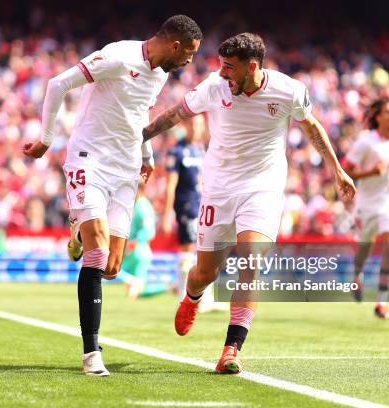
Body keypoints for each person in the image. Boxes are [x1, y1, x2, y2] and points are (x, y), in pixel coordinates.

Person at [143, 33, 355, 374]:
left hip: (262, 187)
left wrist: (337, 170)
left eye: (229, 67)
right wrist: (141, 136)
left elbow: (312, 127)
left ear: (251, 66)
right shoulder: (214, 87)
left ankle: (231, 350)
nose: (223, 73)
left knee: (250, 263)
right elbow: (177, 114)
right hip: (218, 189)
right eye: (221, 66)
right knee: (204, 273)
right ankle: (192, 296)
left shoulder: (288, 91)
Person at [24, 15, 202, 376]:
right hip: (89, 161)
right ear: (176, 45)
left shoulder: (160, 73)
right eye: (190, 54)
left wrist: (147, 155)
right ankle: (91, 352)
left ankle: (77, 233)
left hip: (126, 170)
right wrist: (46, 138)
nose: (189, 62)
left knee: (111, 266)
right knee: (98, 251)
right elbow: (58, 83)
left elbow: (137, 115)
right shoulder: (119, 57)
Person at [342, 99, 389, 319]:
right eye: (388, 113)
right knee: (365, 247)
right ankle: (357, 276)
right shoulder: (366, 142)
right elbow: (347, 171)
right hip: (368, 203)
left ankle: (382, 301)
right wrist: (371, 172)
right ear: (378, 117)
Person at [162, 116, 221, 310]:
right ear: (186, 126)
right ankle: (183, 296)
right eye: (193, 125)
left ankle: (206, 298)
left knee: (206, 251)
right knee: (187, 248)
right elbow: (171, 185)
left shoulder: (202, 150)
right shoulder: (177, 151)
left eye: (199, 125)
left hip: (203, 205)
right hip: (186, 206)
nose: (196, 129)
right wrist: (167, 214)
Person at [120, 179, 169, 300]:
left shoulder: (142, 206)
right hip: (137, 250)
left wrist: (135, 241)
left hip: (138, 249)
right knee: (137, 290)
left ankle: (169, 287)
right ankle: (168, 287)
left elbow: (148, 230)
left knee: (110, 268)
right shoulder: (138, 204)